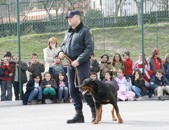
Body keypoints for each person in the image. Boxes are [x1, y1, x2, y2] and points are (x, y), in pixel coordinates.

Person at [58, 10, 96, 123]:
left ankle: (95, 111)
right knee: (72, 90)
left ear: (77, 17)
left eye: (70, 17)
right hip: (70, 65)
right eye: (68, 18)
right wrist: (60, 52)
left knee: (85, 88)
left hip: (82, 65)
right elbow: (63, 46)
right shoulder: (68, 32)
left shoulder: (86, 31)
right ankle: (79, 114)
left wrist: (79, 60)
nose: (68, 19)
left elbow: (89, 49)